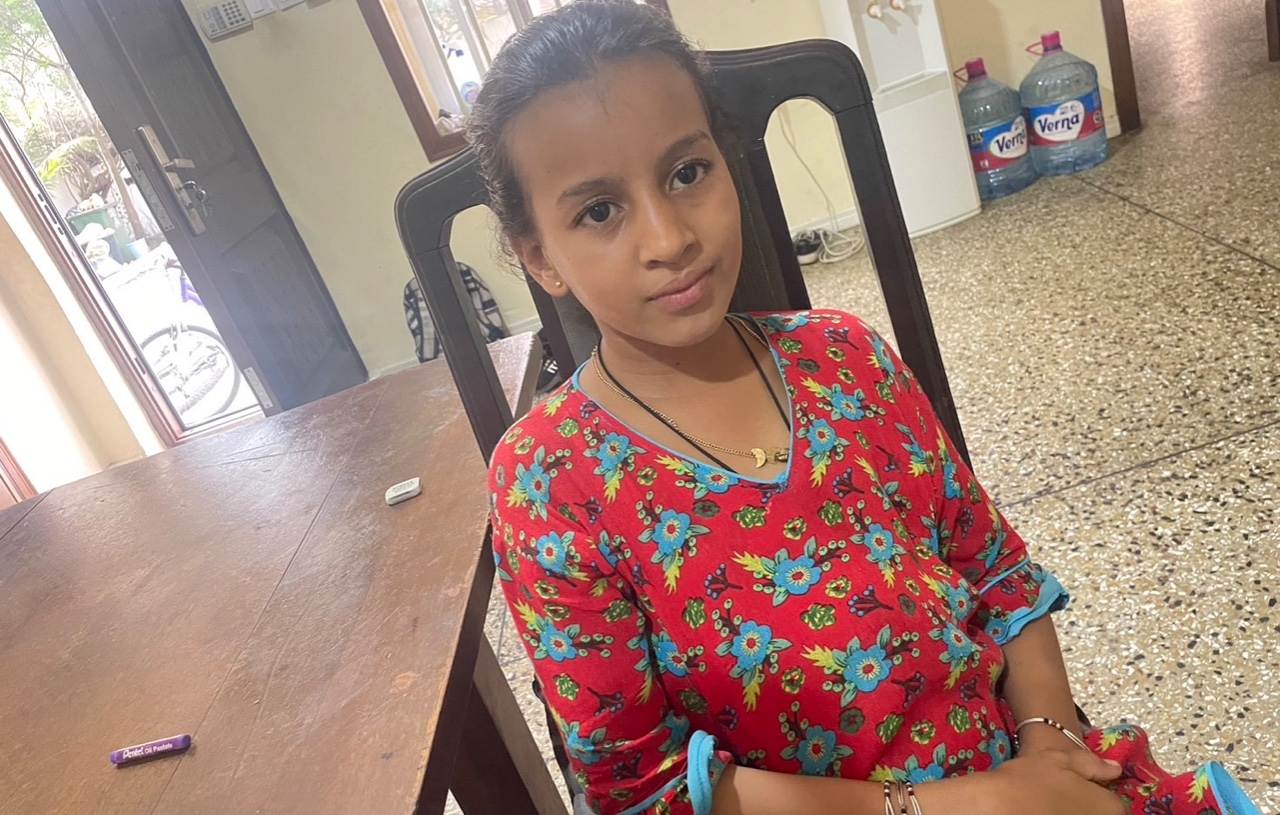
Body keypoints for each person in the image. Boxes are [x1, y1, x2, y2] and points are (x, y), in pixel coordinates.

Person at [475, 2, 1264, 814]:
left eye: (687, 172)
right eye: (599, 211)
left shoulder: (844, 356)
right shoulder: (547, 481)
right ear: (540, 257)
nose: (669, 237)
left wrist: (1050, 744)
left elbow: (996, 572)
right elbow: (648, 792)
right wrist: (971, 805)